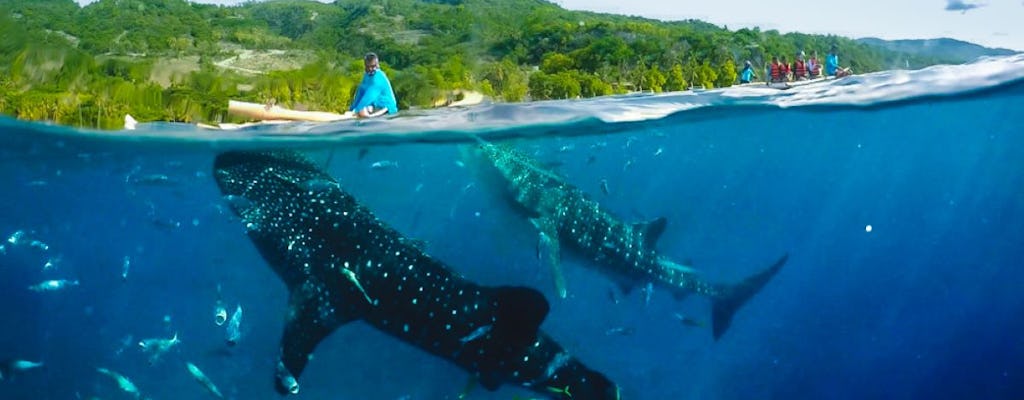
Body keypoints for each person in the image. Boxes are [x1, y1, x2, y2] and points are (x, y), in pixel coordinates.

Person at [349, 52, 398, 118]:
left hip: (388, 108)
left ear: (377, 65)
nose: (370, 69)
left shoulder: (378, 77)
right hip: (375, 105)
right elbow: (361, 90)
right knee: (361, 110)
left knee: (361, 111)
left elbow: (369, 95)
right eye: (368, 67)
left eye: (373, 66)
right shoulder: (367, 75)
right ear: (365, 65)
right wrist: (352, 108)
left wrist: (356, 111)